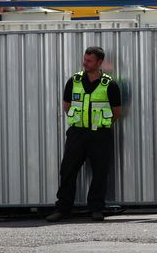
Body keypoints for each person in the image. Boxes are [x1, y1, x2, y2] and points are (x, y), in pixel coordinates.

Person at [46, 47, 122, 223]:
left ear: (99, 62)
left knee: (100, 173)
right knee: (67, 171)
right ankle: (63, 209)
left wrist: (100, 125)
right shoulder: (74, 81)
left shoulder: (109, 84)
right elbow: (66, 106)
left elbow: (116, 112)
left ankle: (96, 209)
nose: (85, 63)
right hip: (77, 134)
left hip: (100, 135)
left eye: (89, 60)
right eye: (84, 59)